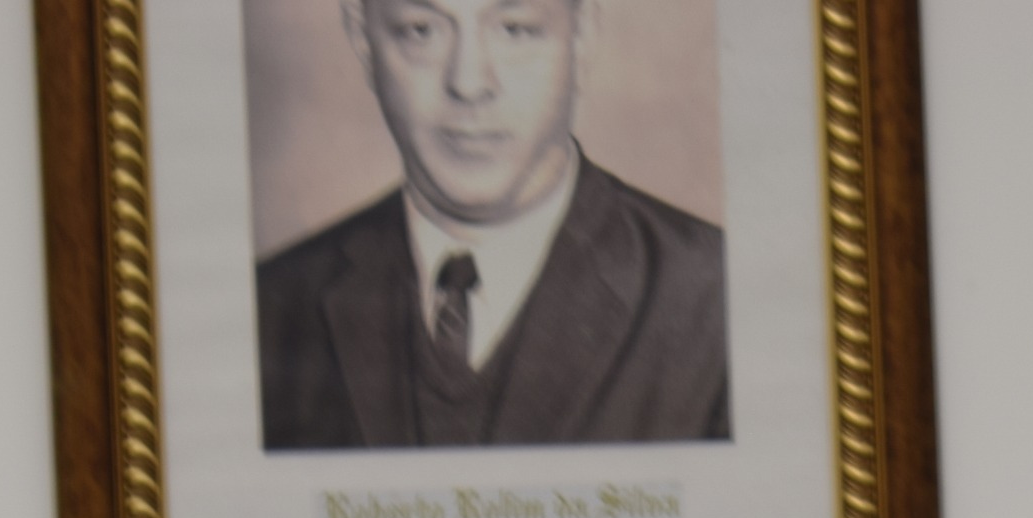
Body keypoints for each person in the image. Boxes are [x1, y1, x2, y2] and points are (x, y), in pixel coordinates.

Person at [257, 0, 732, 451]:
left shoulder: (720, 297)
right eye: (421, 31)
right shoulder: (269, 306)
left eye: (514, 29)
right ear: (364, 41)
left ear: (582, 35)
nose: (469, 83)